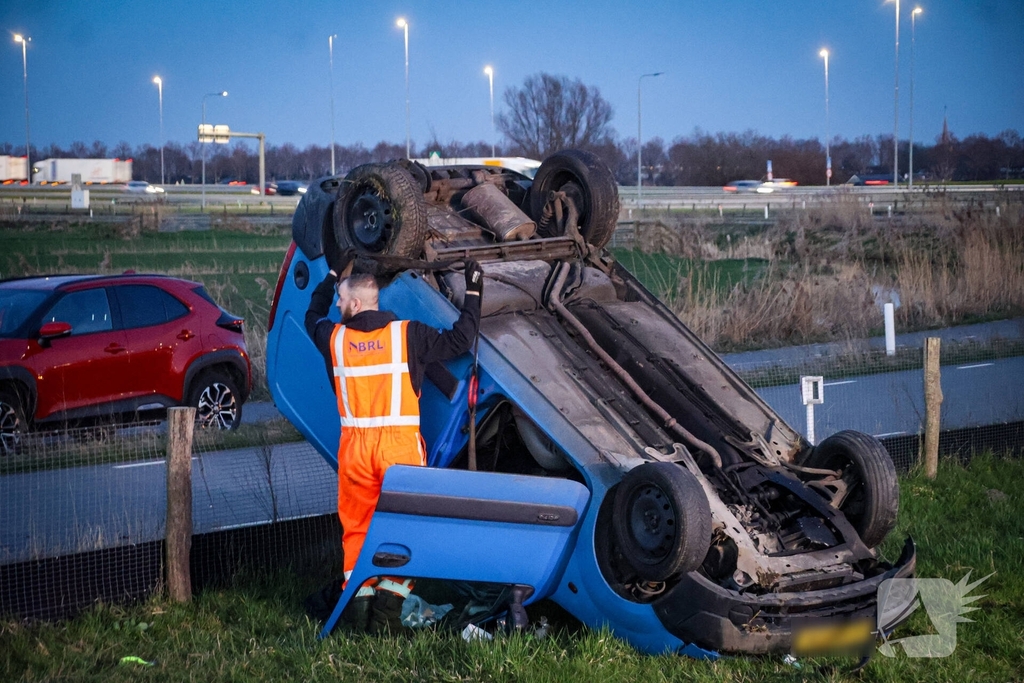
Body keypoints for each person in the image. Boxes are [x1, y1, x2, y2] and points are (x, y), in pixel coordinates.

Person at [304, 258, 483, 632]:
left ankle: (358, 612)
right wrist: (474, 288)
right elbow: (462, 338)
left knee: (356, 529)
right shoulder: (408, 335)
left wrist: (335, 273)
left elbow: (310, 315)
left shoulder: (334, 340)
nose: (337, 305)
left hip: (354, 451)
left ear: (355, 305)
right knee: (406, 528)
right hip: (398, 455)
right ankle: (387, 614)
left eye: (340, 300)